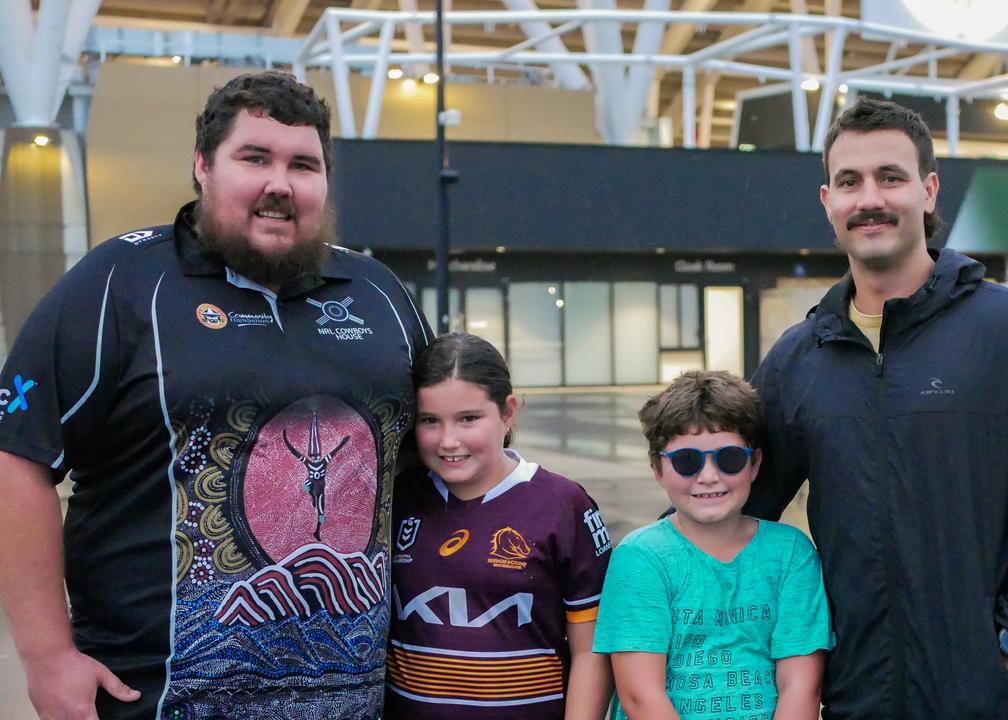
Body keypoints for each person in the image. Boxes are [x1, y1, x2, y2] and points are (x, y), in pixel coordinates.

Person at [0, 71, 431, 719]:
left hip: (351, 702)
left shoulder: (379, 295)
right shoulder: (121, 283)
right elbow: (17, 456)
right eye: (254, 158)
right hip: (155, 698)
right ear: (203, 166)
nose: (279, 184)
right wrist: (45, 655)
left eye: (303, 165)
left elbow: (437, 458)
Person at [743, 98, 1008, 720]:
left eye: (891, 177)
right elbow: (731, 495)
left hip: (1005, 694)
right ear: (827, 200)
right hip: (862, 693)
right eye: (849, 182)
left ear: (929, 190)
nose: (869, 198)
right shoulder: (800, 357)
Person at [386, 332, 613, 720]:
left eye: (468, 419)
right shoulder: (396, 499)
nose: (448, 440)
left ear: (507, 412)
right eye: (430, 421)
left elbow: (591, 650)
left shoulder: (563, 504)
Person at [594, 370, 832, 720]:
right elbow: (640, 695)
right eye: (687, 461)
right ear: (658, 469)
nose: (708, 477)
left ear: (755, 464)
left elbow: (800, 687)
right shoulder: (641, 558)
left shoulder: (791, 554)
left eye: (729, 458)